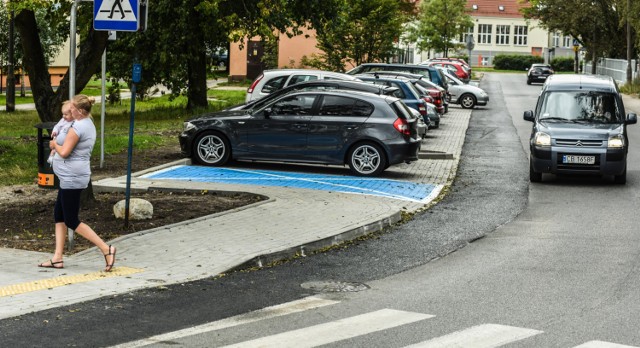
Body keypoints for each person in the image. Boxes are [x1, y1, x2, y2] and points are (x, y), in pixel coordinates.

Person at [38, 95, 116, 272]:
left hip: (72, 177)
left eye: (72, 109)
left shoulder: (78, 127)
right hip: (71, 176)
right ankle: (57, 258)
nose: (69, 111)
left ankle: (106, 249)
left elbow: (64, 152)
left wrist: (53, 145)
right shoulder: (86, 123)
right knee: (59, 215)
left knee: (71, 220)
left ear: (80, 111)